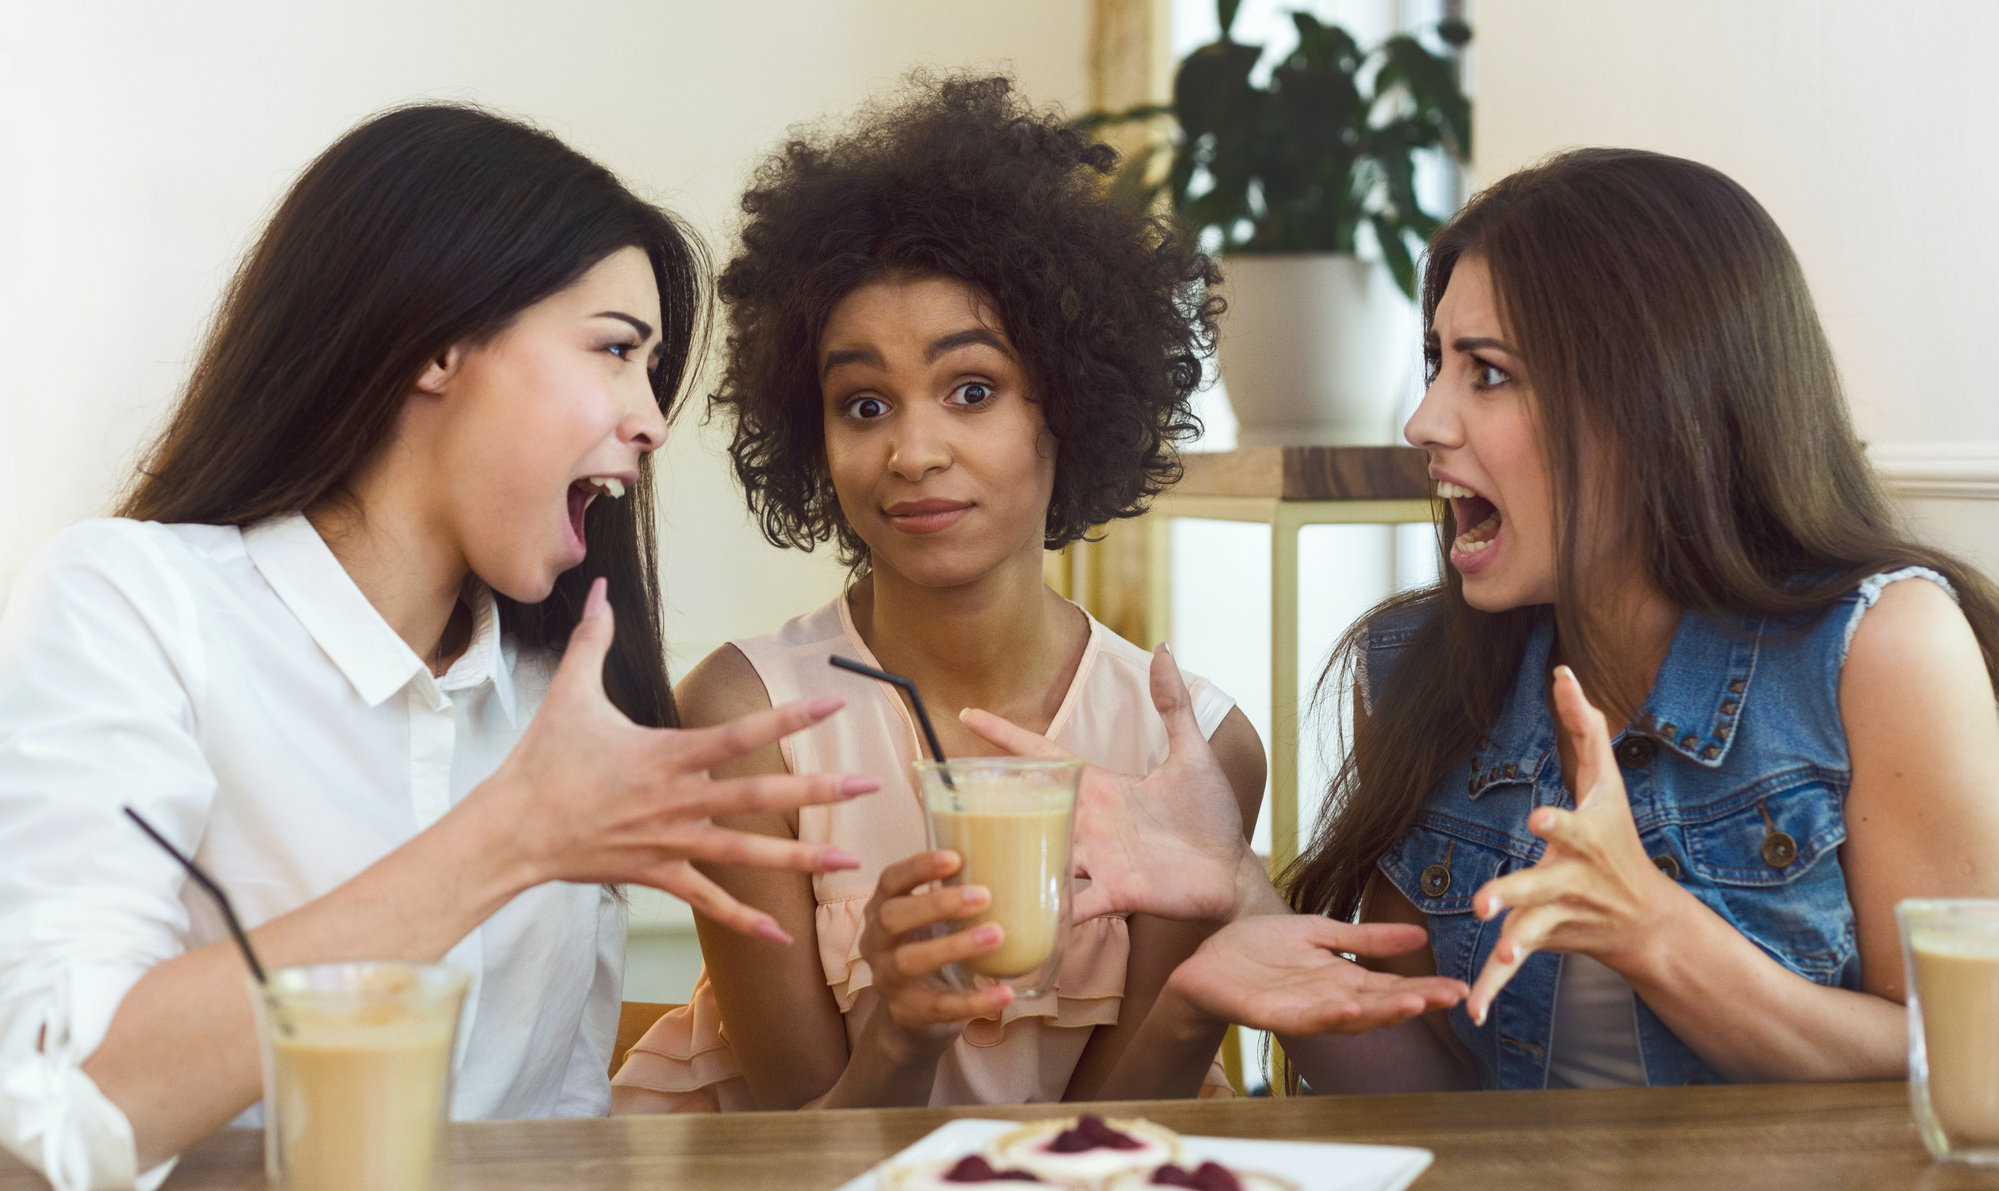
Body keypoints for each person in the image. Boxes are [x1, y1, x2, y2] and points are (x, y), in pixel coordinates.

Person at [965, 147, 1999, 1091]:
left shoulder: (1883, 650)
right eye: (1436, 362)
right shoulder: (1414, 666)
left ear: (1656, 401)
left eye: (1488, 373)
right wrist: (1235, 891)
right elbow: (1426, 1098)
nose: (1424, 421)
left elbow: (1967, 1066)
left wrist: (1658, 936)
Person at [0, 104, 883, 1189]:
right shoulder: (133, 603)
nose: (652, 419)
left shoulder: (561, 701)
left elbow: (561, 1132)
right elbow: (59, 1117)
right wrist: (508, 838)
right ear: (437, 342)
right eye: (615, 349)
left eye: (653, 371)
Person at [608, 75, 1458, 1114]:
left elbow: (1112, 1123)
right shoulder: (748, 726)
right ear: (811, 433)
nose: (914, 452)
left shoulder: (1189, 747)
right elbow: (799, 1146)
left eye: (973, 390)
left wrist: (1195, 1002)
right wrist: (902, 1030)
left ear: (1069, 404)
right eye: (863, 402)